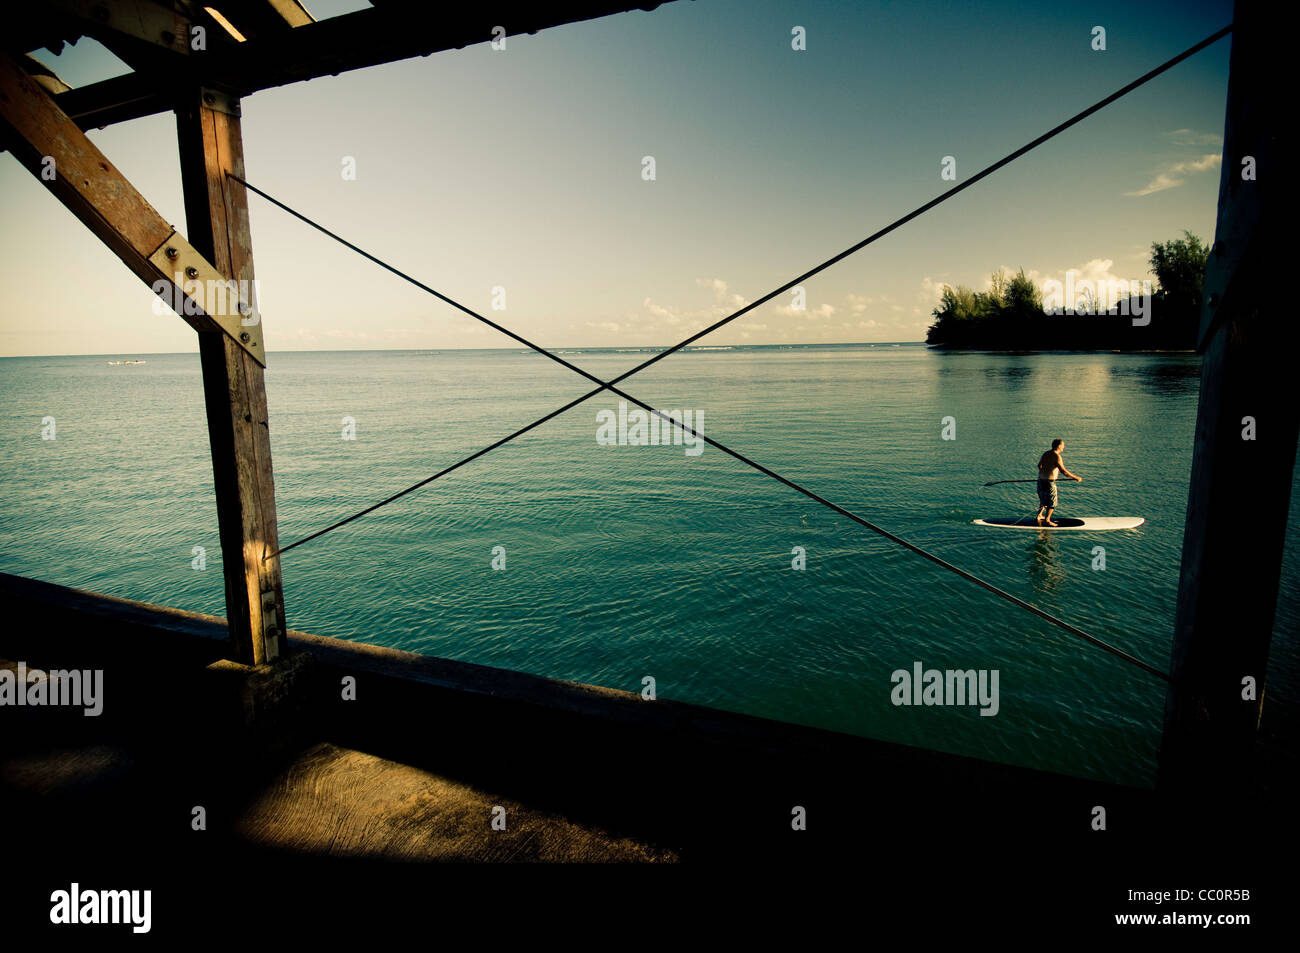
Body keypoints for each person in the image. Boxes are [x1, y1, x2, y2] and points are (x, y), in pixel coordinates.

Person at [1035, 438, 1081, 527]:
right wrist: (1076, 478)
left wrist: (1045, 472)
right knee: (1052, 503)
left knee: (1043, 500)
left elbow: (1039, 465)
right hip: (1049, 482)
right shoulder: (1057, 456)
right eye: (1063, 445)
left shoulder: (1046, 453)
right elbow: (1064, 471)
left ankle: (1039, 515)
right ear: (1059, 446)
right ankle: (1047, 520)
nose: (1064, 447)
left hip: (1040, 480)